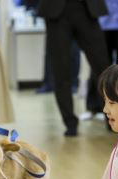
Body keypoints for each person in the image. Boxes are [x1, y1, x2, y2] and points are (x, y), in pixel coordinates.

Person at [37, 0, 110, 136]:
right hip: (56, 12)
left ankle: (113, 117)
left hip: (87, 8)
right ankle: (70, 122)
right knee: (61, 71)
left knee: (103, 68)